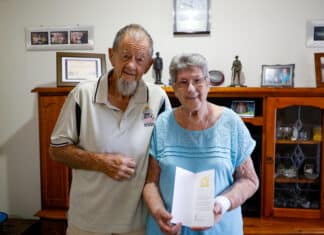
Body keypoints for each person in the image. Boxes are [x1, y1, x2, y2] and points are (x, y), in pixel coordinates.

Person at [49, 24, 171, 235]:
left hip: (137, 226)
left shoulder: (158, 98)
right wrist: (101, 162)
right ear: (111, 56)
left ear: (149, 65)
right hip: (86, 225)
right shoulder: (83, 95)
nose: (131, 66)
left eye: (140, 59)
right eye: (125, 56)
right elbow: (56, 150)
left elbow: (165, 154)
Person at [143, 53, 259, 235]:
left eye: (197, 80)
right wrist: (158, 212)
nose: (190, 88)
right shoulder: (163, 124)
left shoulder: (231, 122)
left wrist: (223, 203)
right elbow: (151, 183)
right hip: (168, 229)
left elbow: (249, 180)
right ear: (173, 87)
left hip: (220, 228)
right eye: (182, 82)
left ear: (208, 84)